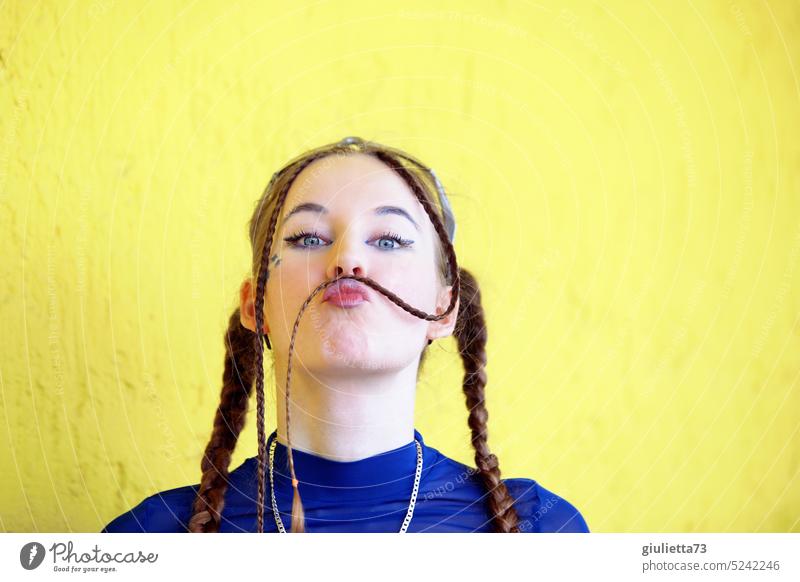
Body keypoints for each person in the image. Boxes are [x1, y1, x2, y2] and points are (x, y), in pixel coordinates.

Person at [102, 136, 590, 533]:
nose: (347, 259)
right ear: (257, 306)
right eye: (309, 238)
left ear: (444, 308)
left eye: (389, 240)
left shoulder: (541, 532)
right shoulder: (151, 536)